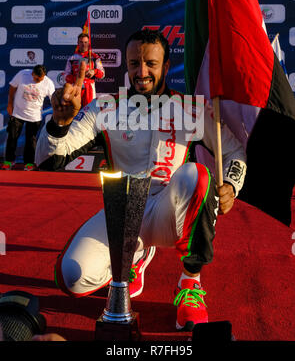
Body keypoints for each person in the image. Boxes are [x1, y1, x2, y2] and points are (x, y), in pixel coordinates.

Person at [35, 29, 247, 331]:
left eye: (151, 63)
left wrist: (232, 185)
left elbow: (236, 152)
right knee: (71, 278)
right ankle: (133, 255)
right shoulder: (105, 106)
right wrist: (59, 124)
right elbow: (48, 161)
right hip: (121, 212)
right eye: (134, 63)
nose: (142, 71)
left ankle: (190, 283)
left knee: (195, 175)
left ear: (165, 65)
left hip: (168, 211)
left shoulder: (191, 109)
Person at [1, 65, 55, 171]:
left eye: (42, 78)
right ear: (32, 74)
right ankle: (9, 161)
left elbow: (53, 98)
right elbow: (12, 87)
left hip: (34, 116)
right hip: (17, 113)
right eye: (37, 78)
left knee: (31, 140)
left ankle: (29, 163)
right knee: (12, 137)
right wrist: (10, 104)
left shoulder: (48, 82)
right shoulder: (22, 74)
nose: (39, 81)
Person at [64, 32, 105, 107]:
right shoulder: (72, 58)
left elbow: (102, 74)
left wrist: (94, 71)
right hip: (75, 88)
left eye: (86, 42)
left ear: (89, 43)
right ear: (78, 43)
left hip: (89, 89)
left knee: (88, 112)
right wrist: (78, 78)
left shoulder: (94, 57)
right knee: (74, 111)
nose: (83, 44)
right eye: (81, 42)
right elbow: (66, 75)